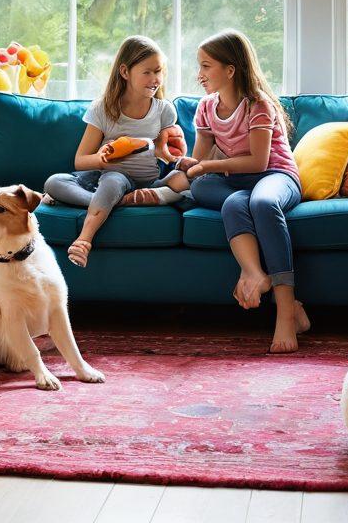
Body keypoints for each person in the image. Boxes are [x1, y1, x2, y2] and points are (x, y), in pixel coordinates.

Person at [160, 29, 310, 353]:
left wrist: (209, 167)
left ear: (230, 70)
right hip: (237, 184)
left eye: (206, 66)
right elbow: (198, 162)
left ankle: (285, 311)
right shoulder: (205, 107)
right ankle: (255, 272)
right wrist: (175, 163)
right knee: (227, 200)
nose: (199, 75)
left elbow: (258, 163)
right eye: (199, 66)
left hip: (275, 175)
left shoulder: (258, 105)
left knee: (263, 201)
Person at [43, 36, 185, 269]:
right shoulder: (104, 108)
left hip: (149, 181)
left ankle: (111, 202)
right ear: (125, 71)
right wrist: (102, 158)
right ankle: (85, 239)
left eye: (158, 71)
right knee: (54, 182)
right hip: (111, 176)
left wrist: (169, 154)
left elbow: (168, 154)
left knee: (184, 182)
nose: (155, 79)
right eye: (147, 72)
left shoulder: (164, 110)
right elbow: (80, 161)